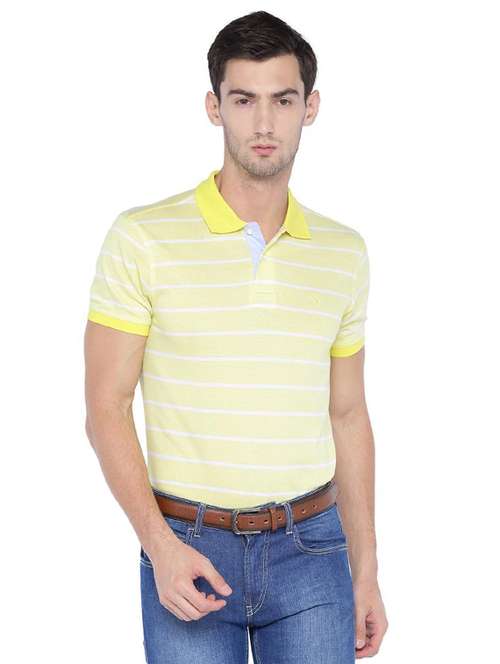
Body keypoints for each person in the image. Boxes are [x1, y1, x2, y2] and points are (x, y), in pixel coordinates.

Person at [84, 9, 388, 663]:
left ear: (310, 107)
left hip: (312, 549)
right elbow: (106, 406)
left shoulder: (343, 252)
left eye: (283, 99)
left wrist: (366, 570)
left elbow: (348, 413)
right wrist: (159, 545)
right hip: (188, 545)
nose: (264, 123)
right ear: (214, 106)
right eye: (244, 100)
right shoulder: (142, 238)